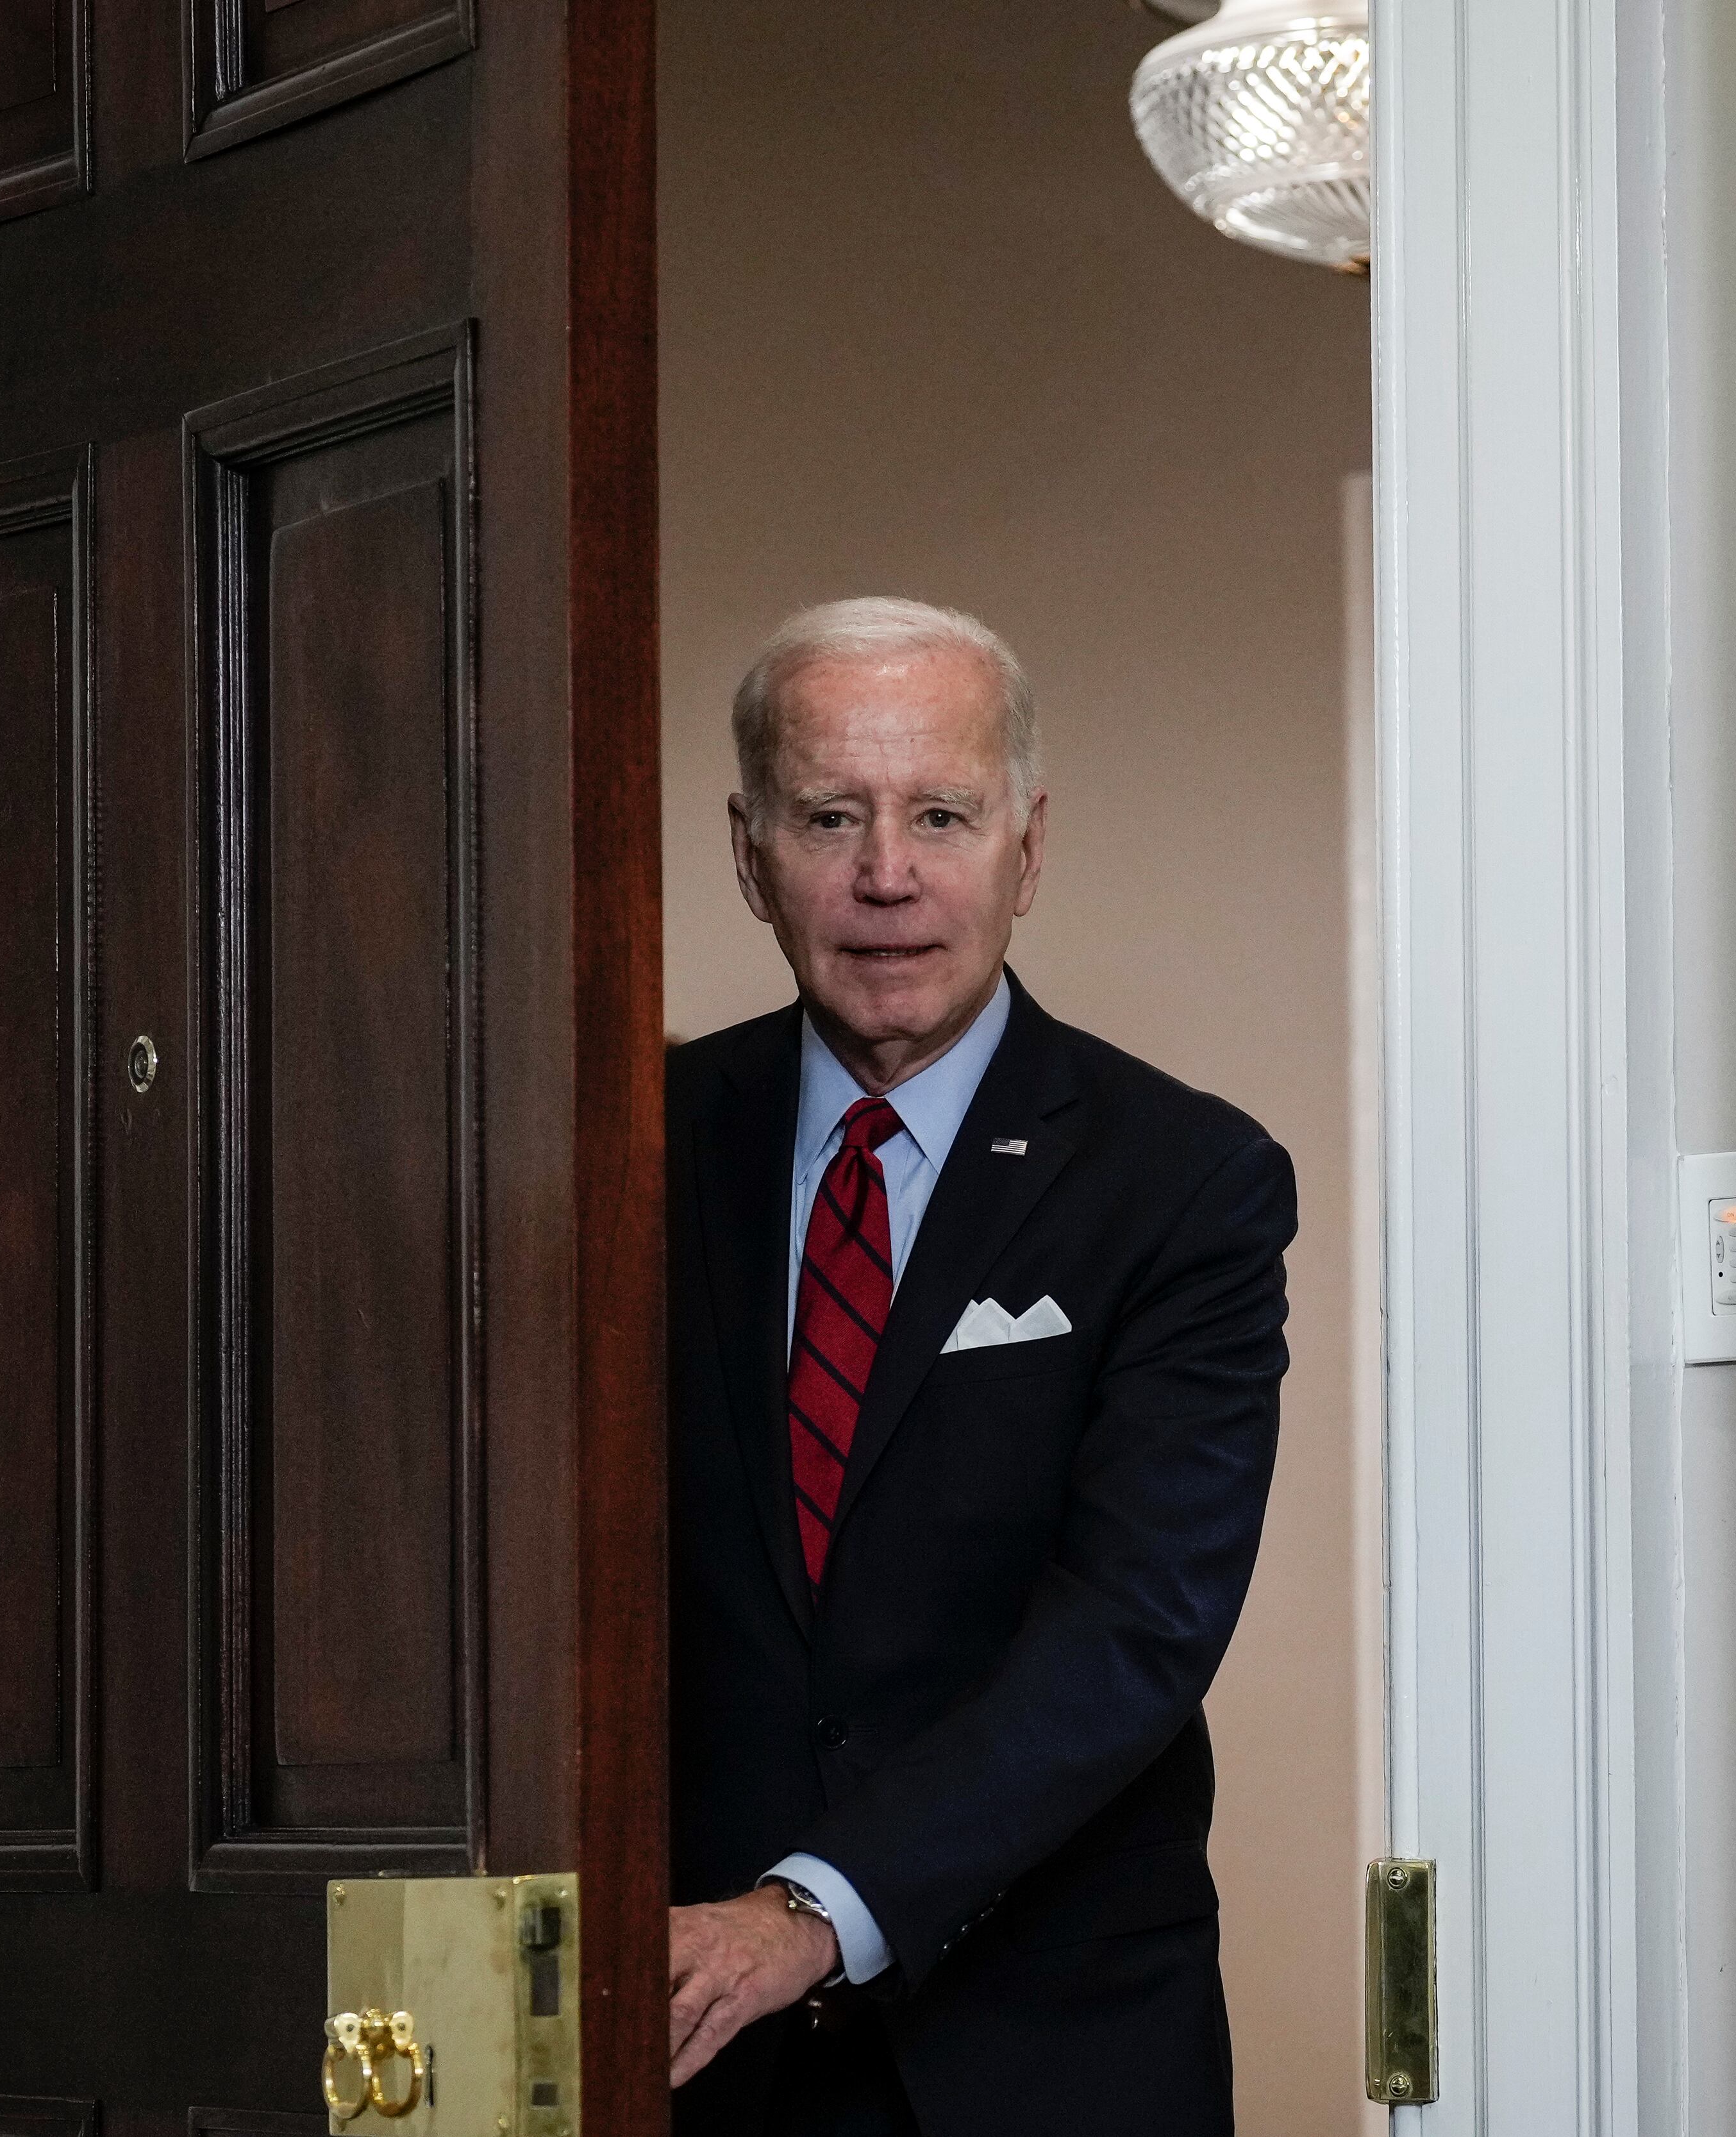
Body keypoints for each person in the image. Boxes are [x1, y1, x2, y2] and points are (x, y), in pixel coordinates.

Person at [664, 597, 1296, 2136]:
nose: (889, 874)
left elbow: (1136, 1627)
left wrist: (808, 1910)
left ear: (1026, 845)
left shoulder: (1185, 1178)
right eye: (832, 815)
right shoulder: (621, 1148)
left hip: (1051, 2050)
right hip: (686, 2049)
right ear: (749, 852)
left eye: (940, 813)